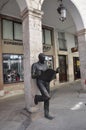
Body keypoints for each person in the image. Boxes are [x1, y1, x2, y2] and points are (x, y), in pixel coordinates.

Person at [31, 53, 59, 120]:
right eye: (43, 58)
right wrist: (37, 75)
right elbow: (32, 76)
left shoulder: (45, 65)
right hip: (40, 82)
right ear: (39, 58)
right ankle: (37, 98)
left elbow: (48, 73)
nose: (44, 59)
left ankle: (46, 114)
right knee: (47, 97)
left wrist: (55, 72)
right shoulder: (35, 65)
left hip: (46, 82)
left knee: (47, 99)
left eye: (44, 58)